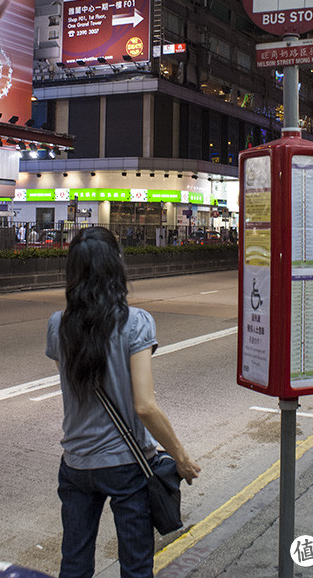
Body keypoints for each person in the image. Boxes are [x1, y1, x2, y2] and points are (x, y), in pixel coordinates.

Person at [46, 227, 200, 578]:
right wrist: (180, 456)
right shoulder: (135, 323)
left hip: (76, 464)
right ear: (117, 266)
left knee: (74, 563)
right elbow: (144, 406)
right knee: (135, 566)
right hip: (127, 467)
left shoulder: (58, 326)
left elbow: (76, 389)